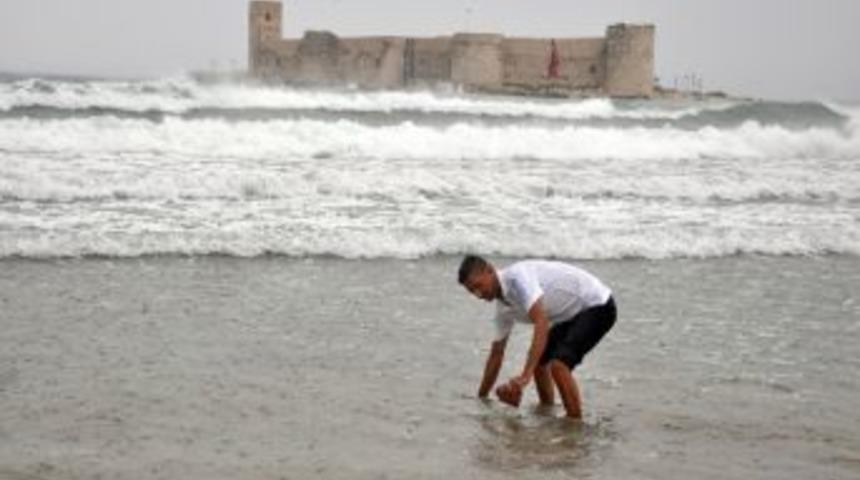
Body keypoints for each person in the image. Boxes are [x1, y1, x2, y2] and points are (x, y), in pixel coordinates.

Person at [457, 255, 616, 419]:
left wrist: (525, 377)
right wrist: (482, 398)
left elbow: (541, 321)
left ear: (490, 270)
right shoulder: (503, 309)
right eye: (472, 291)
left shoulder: (517, 278)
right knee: (541, 365)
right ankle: (547, 414)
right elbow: (496, 354)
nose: (478, 294)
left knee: (558, 365)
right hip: (570, 315)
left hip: (598, 304)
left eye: (478, 286)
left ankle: (574, 427)